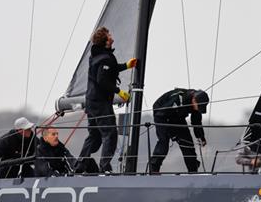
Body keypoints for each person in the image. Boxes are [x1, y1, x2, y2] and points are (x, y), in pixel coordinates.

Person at [77, 26, 137, 173]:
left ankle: (79, 167)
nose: (111, 36)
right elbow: (102, 80)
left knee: (95, 137)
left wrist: (126, 66)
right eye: (109, 34)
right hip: (100, 103)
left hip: (91, 101)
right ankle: (105, 168)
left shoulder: (98, 55)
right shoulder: (104, 57)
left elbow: (110, 69)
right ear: (105, 40)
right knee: (110, 133)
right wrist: (119, 92)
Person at [149, 88, 209, 174]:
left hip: (177, 116)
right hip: (162, 115)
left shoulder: (197, 104)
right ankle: (154, 168)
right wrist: (171, 133)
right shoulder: (178, 99)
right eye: (198, 107)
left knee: (187, 143)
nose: (198, 109)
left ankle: (193, 171)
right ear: (194, 100)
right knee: (164, 141)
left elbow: (196, 122)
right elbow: (160, 114)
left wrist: (201, 137)